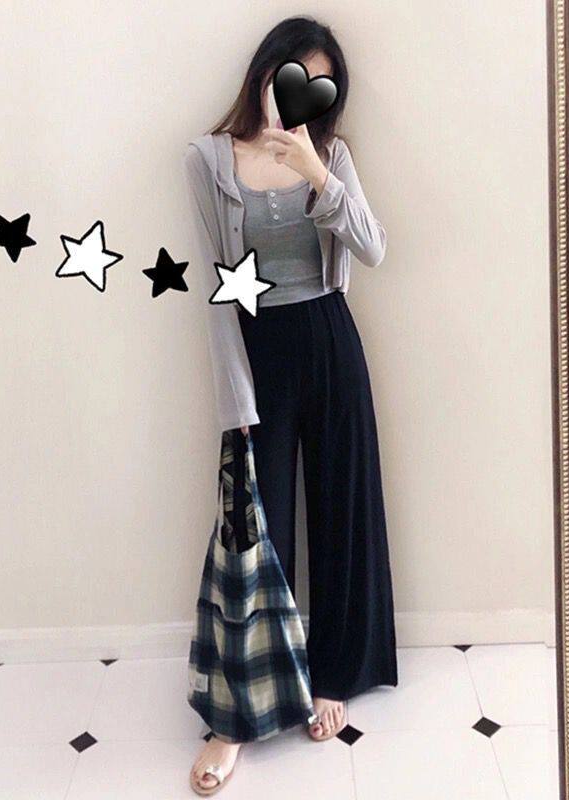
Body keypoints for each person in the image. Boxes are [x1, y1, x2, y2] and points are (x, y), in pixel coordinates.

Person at [183, 15, 398, 795]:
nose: (305, 96)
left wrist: (315, 171)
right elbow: (216, 288)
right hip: (259, 348)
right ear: (265, 73)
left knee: (342, 510)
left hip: (330, 339)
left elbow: (372, 247)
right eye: (294, 77)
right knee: (254, 526)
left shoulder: (330, 156)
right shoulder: (208, 159)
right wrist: (235, 394)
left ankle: (334, 673)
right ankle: (235, 715)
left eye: (321, 86)